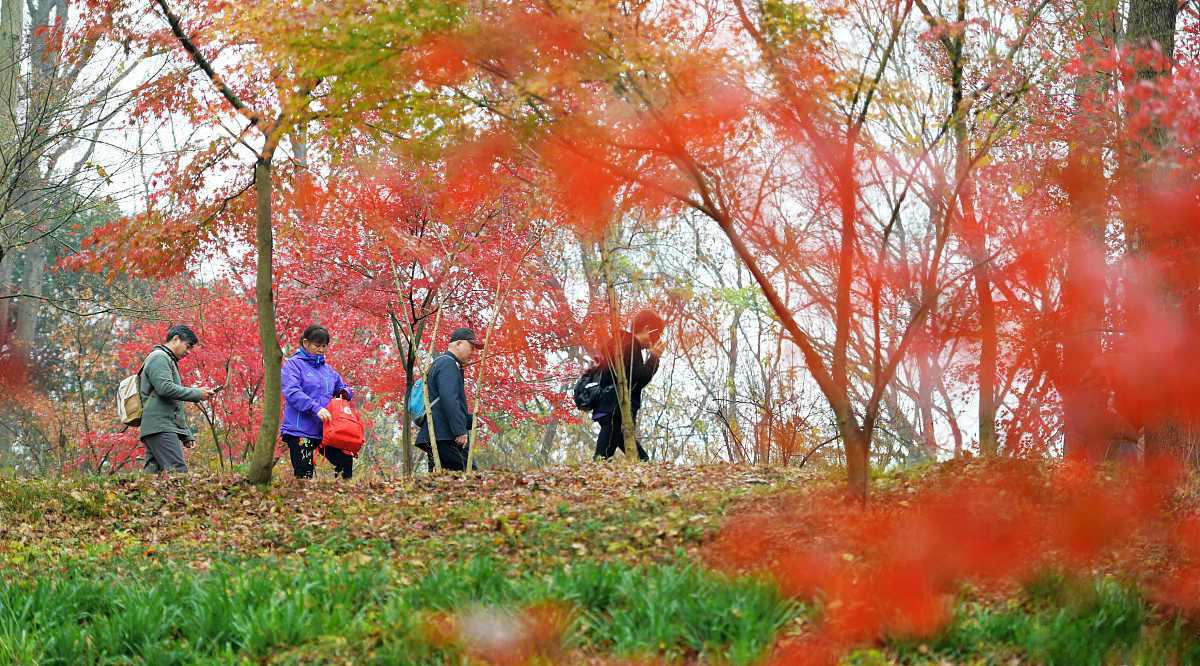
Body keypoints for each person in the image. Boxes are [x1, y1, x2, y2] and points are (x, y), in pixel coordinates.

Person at [138, 325, 218, 473]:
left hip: (157, 426)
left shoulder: (166, 359)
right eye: (187, 346)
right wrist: (197, 394)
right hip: (160, 426)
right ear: (176, 339)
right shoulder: (159, 357)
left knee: (153, 477)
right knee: (178, 471)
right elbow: (165, 388)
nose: (188, 352)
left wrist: (185, 433)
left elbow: (173, 404)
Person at [281, 325, 355, 479]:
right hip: (300, 431)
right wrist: (315, 408)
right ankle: (302, 501)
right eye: (317, 345)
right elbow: (292, 392)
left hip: (326, 431)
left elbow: (343, 387)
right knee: (304, 474)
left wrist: (345, 392)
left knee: (345, 462)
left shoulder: (327, 370)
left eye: (324, 346)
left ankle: (343, 499)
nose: (321, 349)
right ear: (305, 343)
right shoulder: (293, 365)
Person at [592, 309, 665, 462]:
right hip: (615, 412)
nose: (655, 341)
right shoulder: (630, 346)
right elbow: (638, 379)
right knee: (639, 459)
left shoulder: (622, 343)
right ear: (647, 329)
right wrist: (654, 358)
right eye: (656, 335)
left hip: (610, 410)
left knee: (604, 458)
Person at [416, 327, 484, 472]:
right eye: (471, 346)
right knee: (468, 472)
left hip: (437, 433)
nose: (473, 352)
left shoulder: (441, 363)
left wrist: (469, 420)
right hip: (444, 435)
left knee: (440, 481)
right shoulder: (448, 364)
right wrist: (459, 430)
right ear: (458, 343)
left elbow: (443, 402)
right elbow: (449, 399)